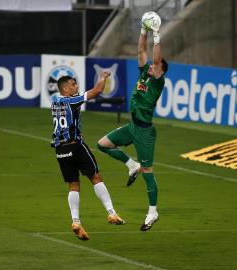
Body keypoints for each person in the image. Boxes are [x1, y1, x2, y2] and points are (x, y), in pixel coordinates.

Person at [97, 15, 168, 231]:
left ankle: (153, 212)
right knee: (103, 144)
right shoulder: (144, 73)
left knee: (149, 173)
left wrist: (157, 35)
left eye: (155, 67)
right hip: (133, 126)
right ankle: (131, 165)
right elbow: (140, 52)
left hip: (145, 132)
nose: (150, 67)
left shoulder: (158, 80)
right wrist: (143, 31)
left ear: (161, 71)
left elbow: (155, 61)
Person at [51, 73, 125, 241]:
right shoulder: (71, 101)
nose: (76, 86)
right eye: (72, 84)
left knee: (73, 185)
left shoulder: (55, 102)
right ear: (65, 89)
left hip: (60, 150)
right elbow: (97, 91)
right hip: (76, 146)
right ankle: (111, 213)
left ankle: (76, 222)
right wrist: (102, 77)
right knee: (96, 177)